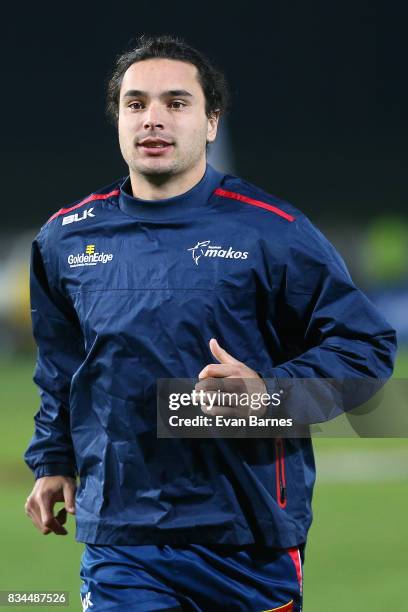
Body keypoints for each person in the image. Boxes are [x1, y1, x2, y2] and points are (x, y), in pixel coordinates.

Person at [23, 35, 396, 612]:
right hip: (123, 536)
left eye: (176, 103)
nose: (153, 119)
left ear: (211, 121)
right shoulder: (66, 239)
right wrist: (53, 460)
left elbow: (365, 347)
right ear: (117, 120)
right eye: (136, 103)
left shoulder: (273, 231)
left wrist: (271, 396)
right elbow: (63, 366)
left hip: (247, 534)